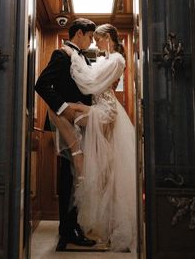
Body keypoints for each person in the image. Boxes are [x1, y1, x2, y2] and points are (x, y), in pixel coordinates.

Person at [49, 23, 137, 252]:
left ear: (107, 37)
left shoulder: (116, 59)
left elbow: (89, 83)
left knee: (61, 109)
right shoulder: (105, 58)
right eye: (93, 39)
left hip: (105, 111)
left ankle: (76, 153)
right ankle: (76, 152)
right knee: (103, 170)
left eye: (97, 39)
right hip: (98, 109)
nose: (95, 44)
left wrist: (72, 55)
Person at [35, 18, 97, 251]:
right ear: (79, 33)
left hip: (80, 124)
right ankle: (67, 230)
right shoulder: (61, 55)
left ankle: (72, 227)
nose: (91, 42)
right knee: (68, 178)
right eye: (90, 36)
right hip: (64, 124)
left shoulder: (81, 57)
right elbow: (42, 84)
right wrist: (64, 109)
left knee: (75, 177)